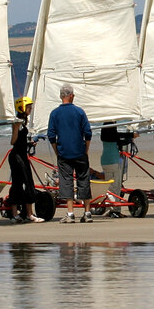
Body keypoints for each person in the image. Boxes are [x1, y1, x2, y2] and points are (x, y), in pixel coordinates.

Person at [47, 84, 93, 223]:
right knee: (83, 180)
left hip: (64, 152)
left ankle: (70, 213)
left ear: (61, 96)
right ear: (71, 95)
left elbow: (51, 135)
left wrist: (56, 151)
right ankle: (87, 212)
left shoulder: (54, 113)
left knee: (66, 182)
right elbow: (88, 133)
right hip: (79, 151)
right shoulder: (79, 112)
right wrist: (86, 149)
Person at [9, 96, 42, 223]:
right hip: (16, 157)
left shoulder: (24, 121)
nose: (31, 109)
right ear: (22, 107)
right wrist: (16, 128)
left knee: (29, 183)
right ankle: (14, 213)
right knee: (17, 184)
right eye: (28, 107)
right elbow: (13, 142)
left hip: (22, 155)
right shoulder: (17, 122)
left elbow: (21, 141)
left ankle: (29, 214)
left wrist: (30, 143)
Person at [99, 121, 137, 217]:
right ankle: (113, 210)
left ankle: (112, 209)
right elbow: (118, 136)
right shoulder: (111, 136)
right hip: (113, 161)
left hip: (107, 160)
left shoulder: (105, 136)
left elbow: (120, 140)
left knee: (112, 186)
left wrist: (131, 138)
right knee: (114, 186)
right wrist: (132, 135)